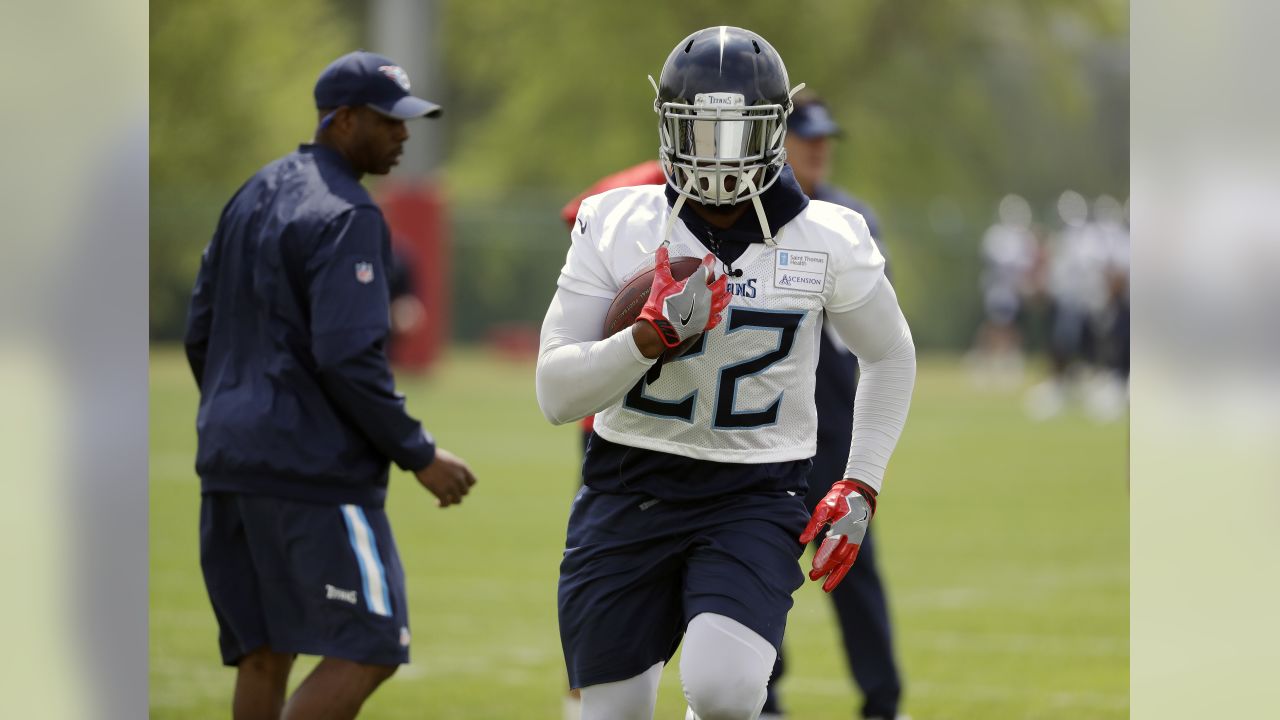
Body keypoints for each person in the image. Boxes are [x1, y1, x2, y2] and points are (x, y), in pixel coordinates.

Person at [535, 26, 916, 720]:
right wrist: (645, 341)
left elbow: (890, 352)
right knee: (610, 712)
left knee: (728, 690)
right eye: (702, 130)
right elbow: (555, 393)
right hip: (628, 483)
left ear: (773, 131)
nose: (719, 153)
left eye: (737, 131)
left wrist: (861, 482)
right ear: (668, 127)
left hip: (755, 490)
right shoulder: (617, 220)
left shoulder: (828, 235)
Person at [184, 50, 477, 720]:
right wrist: (419, 453)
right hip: (309, 474)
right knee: (371, 644)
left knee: (264, 652)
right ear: (342, 120)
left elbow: (199, 331)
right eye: (389, 121)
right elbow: (349, 358)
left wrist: (240, 412)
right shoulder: (350, 213)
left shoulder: (252, 193)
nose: (404, 135)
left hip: (228, 463)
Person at [761, 92, 908, 720]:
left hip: (835, 422)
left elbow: (872, 337)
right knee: (759, 563)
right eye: (805, 134)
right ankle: (761, 697)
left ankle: (883, 701)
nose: (818, 146)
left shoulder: (849, 219)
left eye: (825, 136)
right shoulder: (753, 216)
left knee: (855, 568)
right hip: (766, 425)